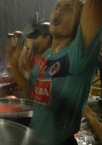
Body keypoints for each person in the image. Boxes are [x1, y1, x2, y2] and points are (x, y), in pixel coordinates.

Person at [6, 0, 102, 145]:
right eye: (57, 6)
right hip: (34, 138)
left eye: (69, 8)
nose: (58, 11)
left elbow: (93, 5)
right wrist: (14, 65)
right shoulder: (47, 56)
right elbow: (31, 89)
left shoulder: (79, 53)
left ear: (79, 20)